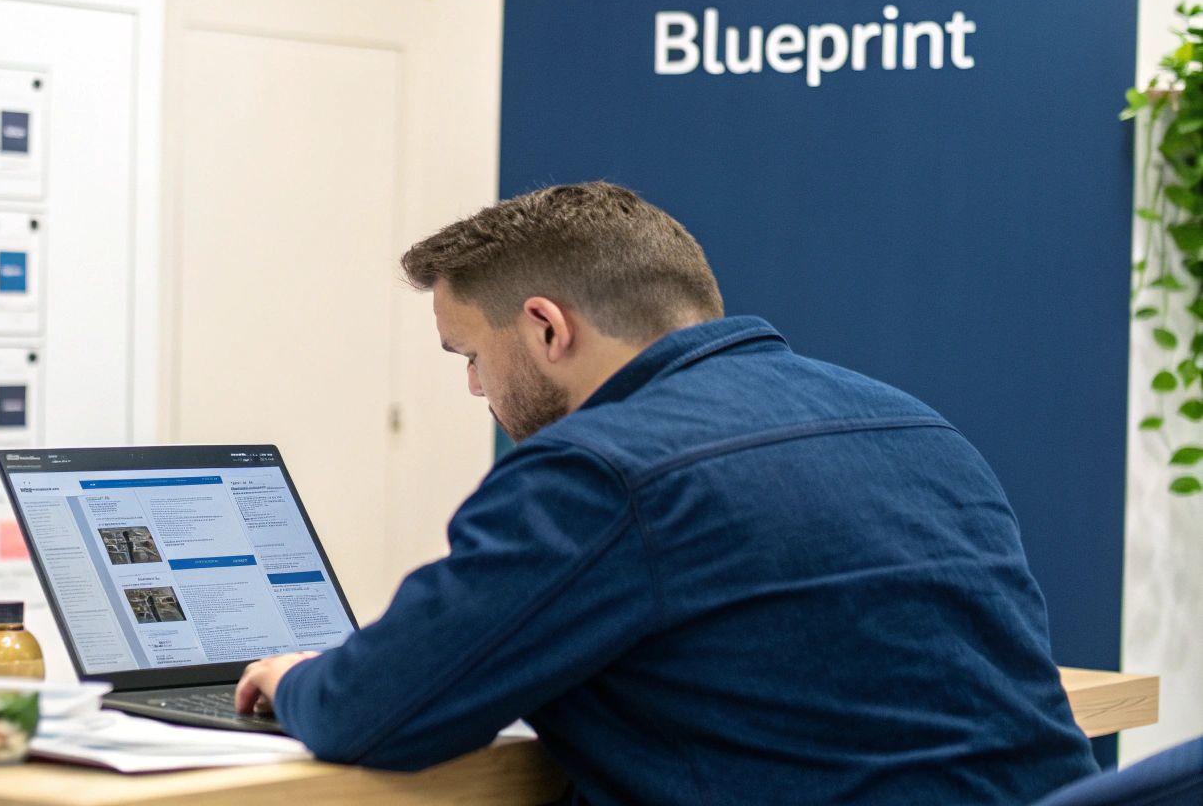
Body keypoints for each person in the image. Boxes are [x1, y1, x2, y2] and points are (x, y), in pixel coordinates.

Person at [234, 182, 1097, 804]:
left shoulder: (598, 470)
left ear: (545, 328)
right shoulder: (912, 425)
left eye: (469, 356)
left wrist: (295, 677)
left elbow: (381, 713)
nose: (475, 392)